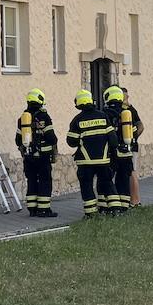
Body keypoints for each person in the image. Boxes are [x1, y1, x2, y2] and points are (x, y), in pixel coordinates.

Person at [65, 89, 115, 219]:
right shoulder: (103, 116)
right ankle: (116, 209)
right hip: (103, 161)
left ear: (78, 103)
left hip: (85, 162)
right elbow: (113, 139)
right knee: (107, 183)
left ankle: (91, 213)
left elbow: (71, 142)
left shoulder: (77, 120)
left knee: (86, 185)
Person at [14, 89, 60, 218]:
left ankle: (32, 209)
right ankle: (44, 210)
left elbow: (18, 140)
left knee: (32, 180)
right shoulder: (44, 117)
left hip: (28, 157)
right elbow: (52, 138)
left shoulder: (22, 119)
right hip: (43, 157)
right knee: (45, 181)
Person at [114, 84, 146, 207]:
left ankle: (135, 201)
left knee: (131, 172)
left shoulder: (128, 110)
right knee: (129, 172)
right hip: (129, 145)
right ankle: (132, 200)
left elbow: (141, 127)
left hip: (129, 147)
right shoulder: (128, 109)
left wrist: (132, 140)